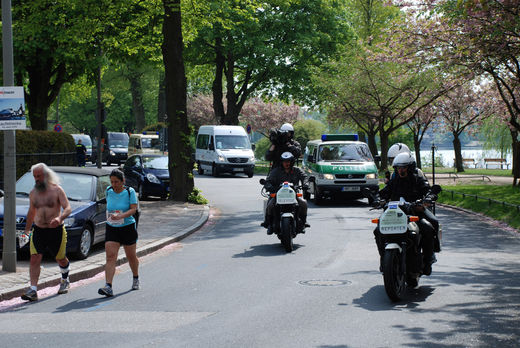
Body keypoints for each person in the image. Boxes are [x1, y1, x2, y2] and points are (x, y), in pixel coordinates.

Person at [375, 152, 439, 275]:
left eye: (403, 167)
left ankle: (428, 259)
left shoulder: (417, 179)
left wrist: (429, 197)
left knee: (429, 227)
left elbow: (427, 190)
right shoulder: (394, 181)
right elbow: (384, 192)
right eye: (398, 168)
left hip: (415, 212)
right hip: (395, 214)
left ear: (410, 168)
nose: (401, 170)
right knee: (378, 230)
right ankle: (384, 259)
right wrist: (377, 198)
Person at [21, 163, 72, 302]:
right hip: (38, 230)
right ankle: (33, 290)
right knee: (34, 257)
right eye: (35, 176)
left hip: (56, 231)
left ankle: (65, 279)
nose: (36, 179)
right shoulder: (33, 193)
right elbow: (31, 212)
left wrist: (59, 217)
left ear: (46, 175)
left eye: (39, 176)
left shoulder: (57, 190)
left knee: (60, 258)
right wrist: (26, 231)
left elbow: (68, 208)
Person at [98, 169, 140, 297]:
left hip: (127, 227)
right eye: (112, 182)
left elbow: (134, 209)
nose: (114, 184)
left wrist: (122, 215)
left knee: (131, 256)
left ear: (123, 181)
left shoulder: (129, 192)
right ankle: (108, 286)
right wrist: (112, 217)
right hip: (112, 227)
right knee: (110, 257)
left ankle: (135, 277)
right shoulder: (109, 191)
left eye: (116, 182)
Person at [261, 152, 310, 235]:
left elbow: (304, 177)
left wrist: (305, 184)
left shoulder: (297, 170)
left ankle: (303, 223)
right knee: (270, 205)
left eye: (288, 161)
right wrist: (269, 186)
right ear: (281, 162)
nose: (287, 163)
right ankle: (269, 224)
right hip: (278, 195)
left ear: (292, 162)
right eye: (284, 161)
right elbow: (268, 181)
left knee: (304, 203)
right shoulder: (276, 171)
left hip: (293, 195)